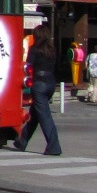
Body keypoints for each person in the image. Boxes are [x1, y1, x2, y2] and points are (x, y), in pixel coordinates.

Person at [12, 25, 61, 154]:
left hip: (39, 84)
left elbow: (28, 66)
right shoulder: (52, 50)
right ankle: (22, 141)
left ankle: (54, 146)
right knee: (35, 115)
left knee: (44, 116)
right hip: (50, 83)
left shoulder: (35, 49)